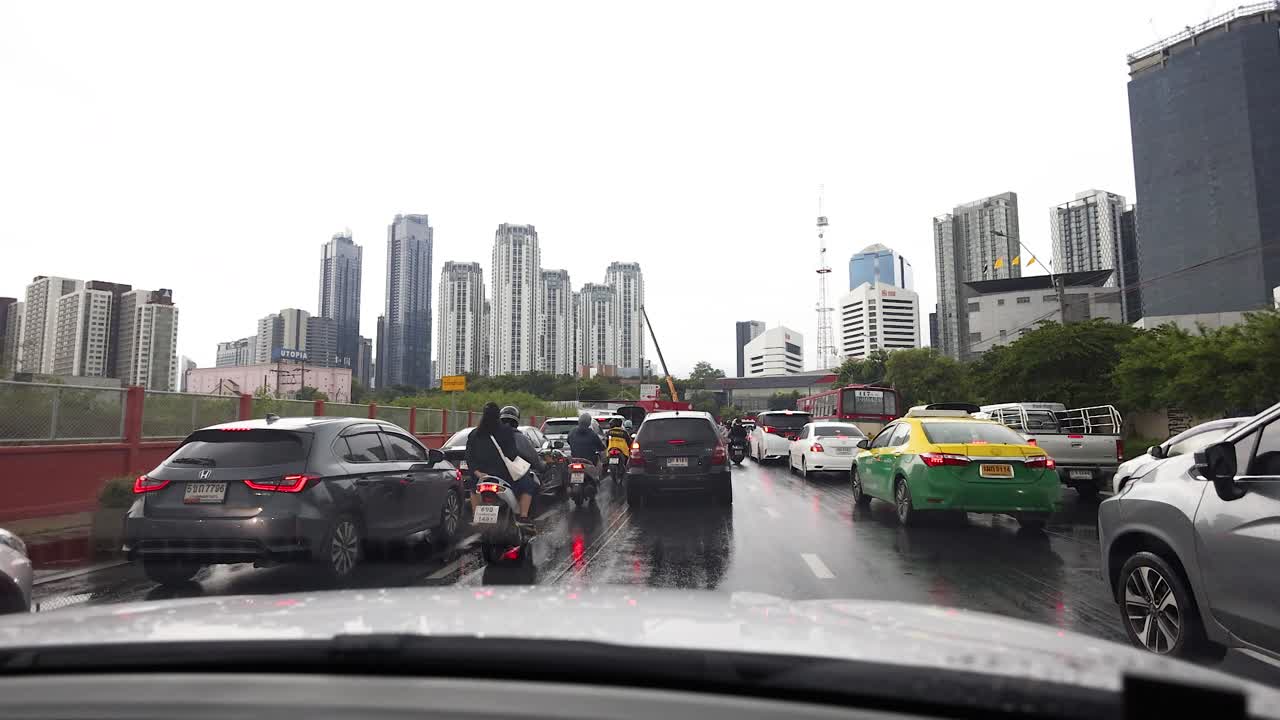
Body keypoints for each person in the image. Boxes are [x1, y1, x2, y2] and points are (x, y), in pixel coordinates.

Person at [464, 402, 541, 526]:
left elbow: (469, 457)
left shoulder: (474, 434)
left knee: (473, 488)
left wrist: (477, 473)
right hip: (503, 475)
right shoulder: (506, 431)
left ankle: (475, 516)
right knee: (528, 485)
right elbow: (512, 454)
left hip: (481, 476)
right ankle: (523, 517)